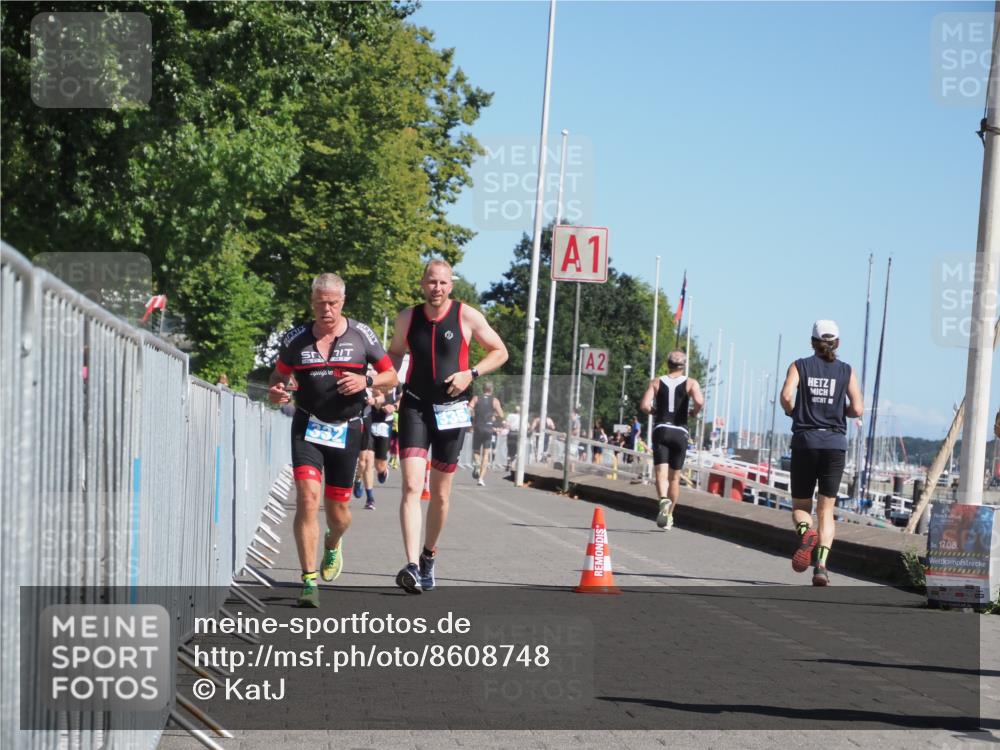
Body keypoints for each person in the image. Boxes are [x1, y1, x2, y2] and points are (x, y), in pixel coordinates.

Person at [268, 273, 398, 607]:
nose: (327, 309)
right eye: (320, 303)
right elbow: (279, 377)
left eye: (333, 303)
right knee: (308, 497)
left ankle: (333, 542)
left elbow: (391, 375)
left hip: (348, 428)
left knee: (339, 513)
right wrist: (277, 391)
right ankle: (308, 581)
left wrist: (366, 379)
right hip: (308, 426)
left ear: (343, 302)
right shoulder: (296, 339)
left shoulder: (361, 335)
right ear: (312, 302)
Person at [388, 259, 508, 593]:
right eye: (431, 282)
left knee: (440, 495)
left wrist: (472, 373)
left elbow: (500, 351)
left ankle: (428, 555)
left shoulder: (466, 315)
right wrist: (386, 381)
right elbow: (395, 354)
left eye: (442, 283)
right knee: (412, 486)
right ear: (422, 283)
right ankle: (411, 565)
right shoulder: (406, 318)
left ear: (451, 285)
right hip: (414, 405)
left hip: (453, 410)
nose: (436, 288)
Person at [779, 320, 863, 587]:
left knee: (801, 507)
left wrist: (793, 411)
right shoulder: (846, 371)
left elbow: (785, 395)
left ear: (812, 341)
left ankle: (806, 533)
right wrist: (842, 412)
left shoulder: (799, 366)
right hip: (834, 444)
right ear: (837, 343)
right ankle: (822, 568)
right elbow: (858, 409)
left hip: (805, 440)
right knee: (826, 510)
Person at [639, 350, 704, 530]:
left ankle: (663, 501)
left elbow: (644, 405)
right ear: (684, 366)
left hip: (661, 429)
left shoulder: (657, 382)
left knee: (661, 474)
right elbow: (699, 401)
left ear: (668, 364)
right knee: (674, 479)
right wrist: (694, 413)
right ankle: (669, 516)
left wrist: (655, 412)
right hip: (680, 431)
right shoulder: (691, 383)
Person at [469, 382, 504, 486]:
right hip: (488, 429)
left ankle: (477, 463)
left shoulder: (476, 398)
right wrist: (494, 415)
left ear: (483, 389)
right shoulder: (494, 400)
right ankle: (481, 479)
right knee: (486, 454)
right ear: (491, 390)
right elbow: (501, 414)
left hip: (478, 427)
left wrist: (472, 419)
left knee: (476, 451)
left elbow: (469, 409)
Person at [504, 404, 522, 473]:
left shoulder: (510, 415)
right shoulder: (522, 417)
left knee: (510, 449)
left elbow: (506, 424)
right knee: (516, 450)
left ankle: (508, 462)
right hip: (518, 434)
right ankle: (512, 465)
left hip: (510, 433)